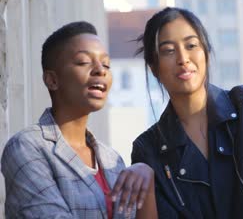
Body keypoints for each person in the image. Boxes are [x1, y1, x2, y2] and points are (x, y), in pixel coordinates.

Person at [131, 7, 243, 218]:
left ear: (206, 54)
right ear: (154, 67)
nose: (183, 58)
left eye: (191, 45)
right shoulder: (148, 150)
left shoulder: (241, 103)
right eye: (168, 51)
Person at [1, 21, 157, 219]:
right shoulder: (26, 147)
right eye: (84, 62)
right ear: (52, 80)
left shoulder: (113, 161)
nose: (101, 70)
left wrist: (147, 179)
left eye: (106, 64)